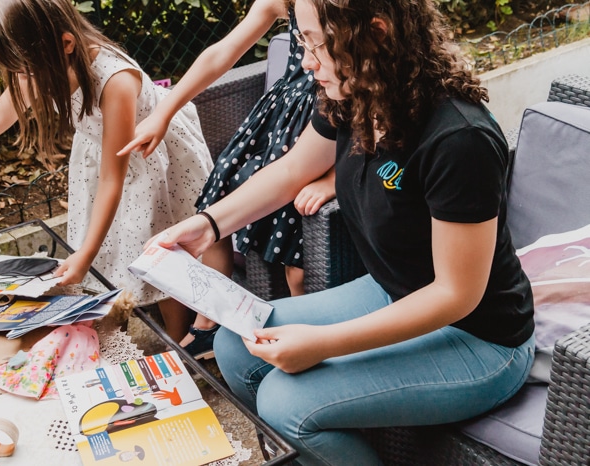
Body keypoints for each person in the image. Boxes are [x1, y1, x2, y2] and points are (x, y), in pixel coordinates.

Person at [152, 0, 536, 463]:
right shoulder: (355, 95)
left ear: (374, 33)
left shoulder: (459, 139)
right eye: (302, 42)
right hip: (392, 291)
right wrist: (208, 225)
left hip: (478, 339)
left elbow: (456, 294)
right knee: (235, 343)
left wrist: (323, 346)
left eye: (316, 43)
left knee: (283, 404)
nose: (307, 60)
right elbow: (292, 169)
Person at [0, 0, 213, 342]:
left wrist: (84, 255)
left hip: (148, 161)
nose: (24, 79)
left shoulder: (114, 80)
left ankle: (180, 344)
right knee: (117, 248)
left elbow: (113, 178)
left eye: (27, 70)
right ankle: (126, 327)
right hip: (105, 156)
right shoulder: (38, 60)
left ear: (65, 44)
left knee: (161, 257)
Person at [119, 0, 335, 358]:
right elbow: (221, 53)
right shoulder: (281, 3)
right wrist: (164, 111)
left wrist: (332, 177)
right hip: (279, 118)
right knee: (214, 198)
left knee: (297, 260)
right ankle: (208, 322)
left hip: (323, 115)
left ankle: (310, 344)